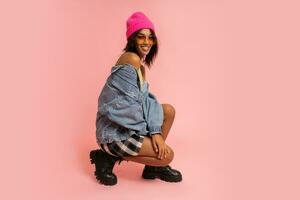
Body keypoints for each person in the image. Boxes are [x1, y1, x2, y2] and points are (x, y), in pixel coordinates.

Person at [89, 11, 182, 186]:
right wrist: (151, 134)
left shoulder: (140, 66)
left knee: (167, 110)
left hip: (128, 128)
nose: (147, 42)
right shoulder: (130, 59)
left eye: (150, 38)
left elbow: (147, 101)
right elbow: (122, 108)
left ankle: (152, 168)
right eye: (141, 37)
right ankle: (105, 157)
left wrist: (155, 132)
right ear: (133, 39)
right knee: (167, 156)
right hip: (114, 133)